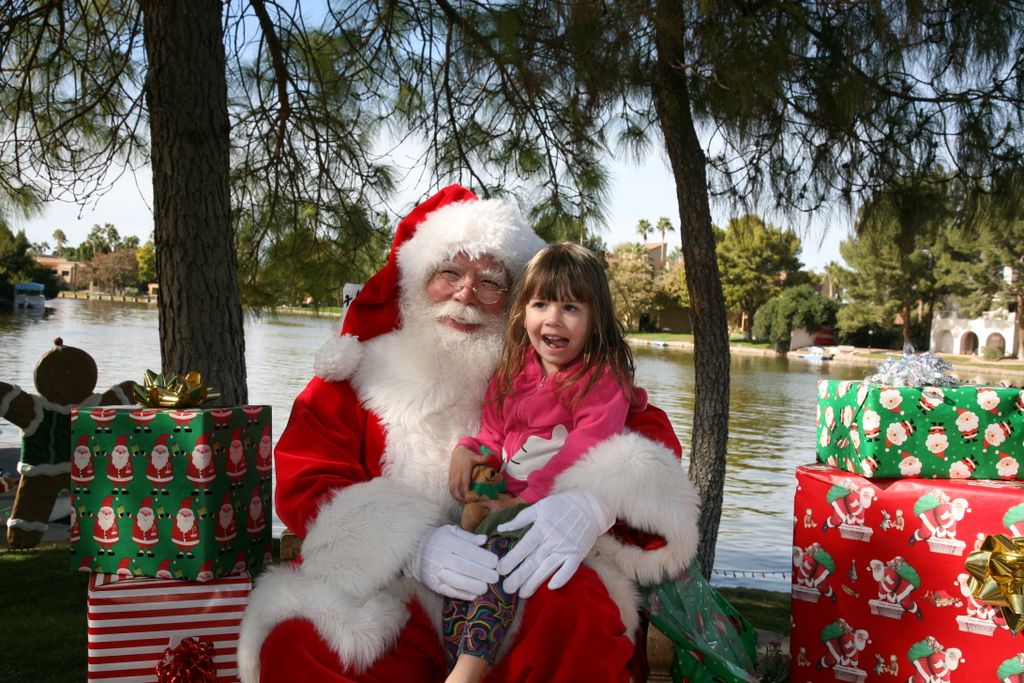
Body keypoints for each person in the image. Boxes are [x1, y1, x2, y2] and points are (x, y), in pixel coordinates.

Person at [238, 184, 700, 683]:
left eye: (489, 282)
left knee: (578, 612)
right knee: (300, 642)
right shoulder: (359, 373)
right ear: (417, 282)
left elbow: (646, 436)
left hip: (523, 582)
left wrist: (593, 503)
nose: (465, 293)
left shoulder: (560, 370)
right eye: (449, 273)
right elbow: (310, 481)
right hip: (398, 589)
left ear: (513, 301)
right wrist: (410, 546)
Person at [444, 243, 650, 683]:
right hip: (505, 496)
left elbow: (583, 454)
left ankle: (466, 672)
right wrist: (468, 449)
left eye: (571, 307)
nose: (553, 319)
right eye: (541, 304)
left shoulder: (600, 379)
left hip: (555, 511)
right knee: (463, 547)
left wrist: (527, 505)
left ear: (596, 320)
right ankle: (454, 643)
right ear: (523, 313)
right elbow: (494, 436)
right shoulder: (515, 371)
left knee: (498, 562)